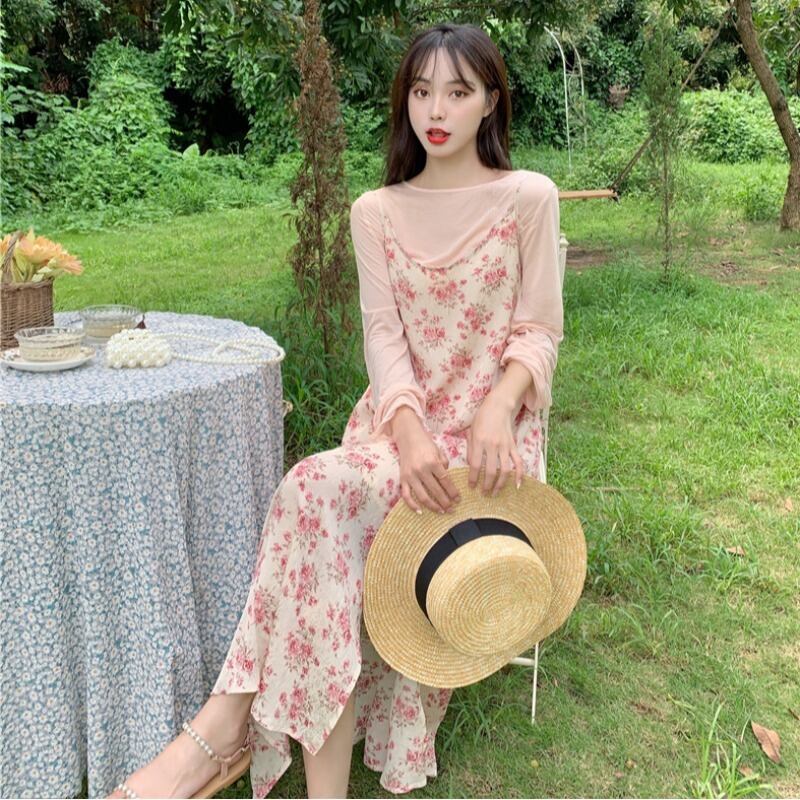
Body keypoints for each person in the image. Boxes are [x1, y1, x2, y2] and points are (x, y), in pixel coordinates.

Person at [107, 20, 562, 800]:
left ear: (491, 101)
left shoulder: (528, 197)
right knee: (317, 502)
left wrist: (499, 405)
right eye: (421, 91)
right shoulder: (376, 209)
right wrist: (409, 433)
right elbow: (383, 337)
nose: (436, 110)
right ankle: (249, 746)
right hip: (398, 429)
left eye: (458, 91)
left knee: (313, 501)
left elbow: (540, 328)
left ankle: (216, 736)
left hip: (490, 445)